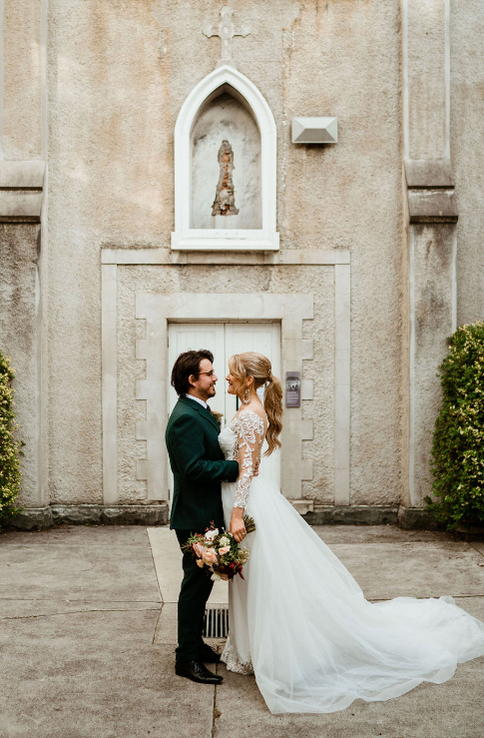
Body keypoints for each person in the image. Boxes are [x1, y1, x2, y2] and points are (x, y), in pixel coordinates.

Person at [218, 351, 484, 714]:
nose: (226, 378)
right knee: (252, 576)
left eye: (232, 374)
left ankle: (265, 652)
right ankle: (248, 647)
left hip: (247, 503)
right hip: (251, 500)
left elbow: (247, 469)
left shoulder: (249, 415)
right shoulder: (248, 412)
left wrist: (236, 514)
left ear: (248, 380)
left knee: (261, 577)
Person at [165, 349, 239, 685]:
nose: (214, 378)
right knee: (194, 587)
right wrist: (233, 468)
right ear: (192, 381)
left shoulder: (200, 411)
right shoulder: (185, 417)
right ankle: (186, 658)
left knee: (203, 583)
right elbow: (192, 468)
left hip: (206, 513)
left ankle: (195, 644)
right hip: (194, 516)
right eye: (208, 373)